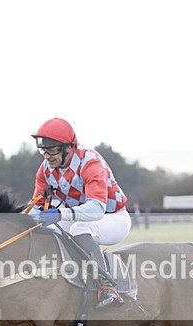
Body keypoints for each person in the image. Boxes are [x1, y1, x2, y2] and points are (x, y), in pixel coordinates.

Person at [29, 117, 131, 308]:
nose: (47, 156)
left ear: (68, 147)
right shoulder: (45, 170)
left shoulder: (89, 162)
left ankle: (107, 288)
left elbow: (96, 209)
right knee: (50, 231)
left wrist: (60, 214)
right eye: (44, 150)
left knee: (79, 229)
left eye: (52, 149)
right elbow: (36, 204)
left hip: (112, 217)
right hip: (82, 217)